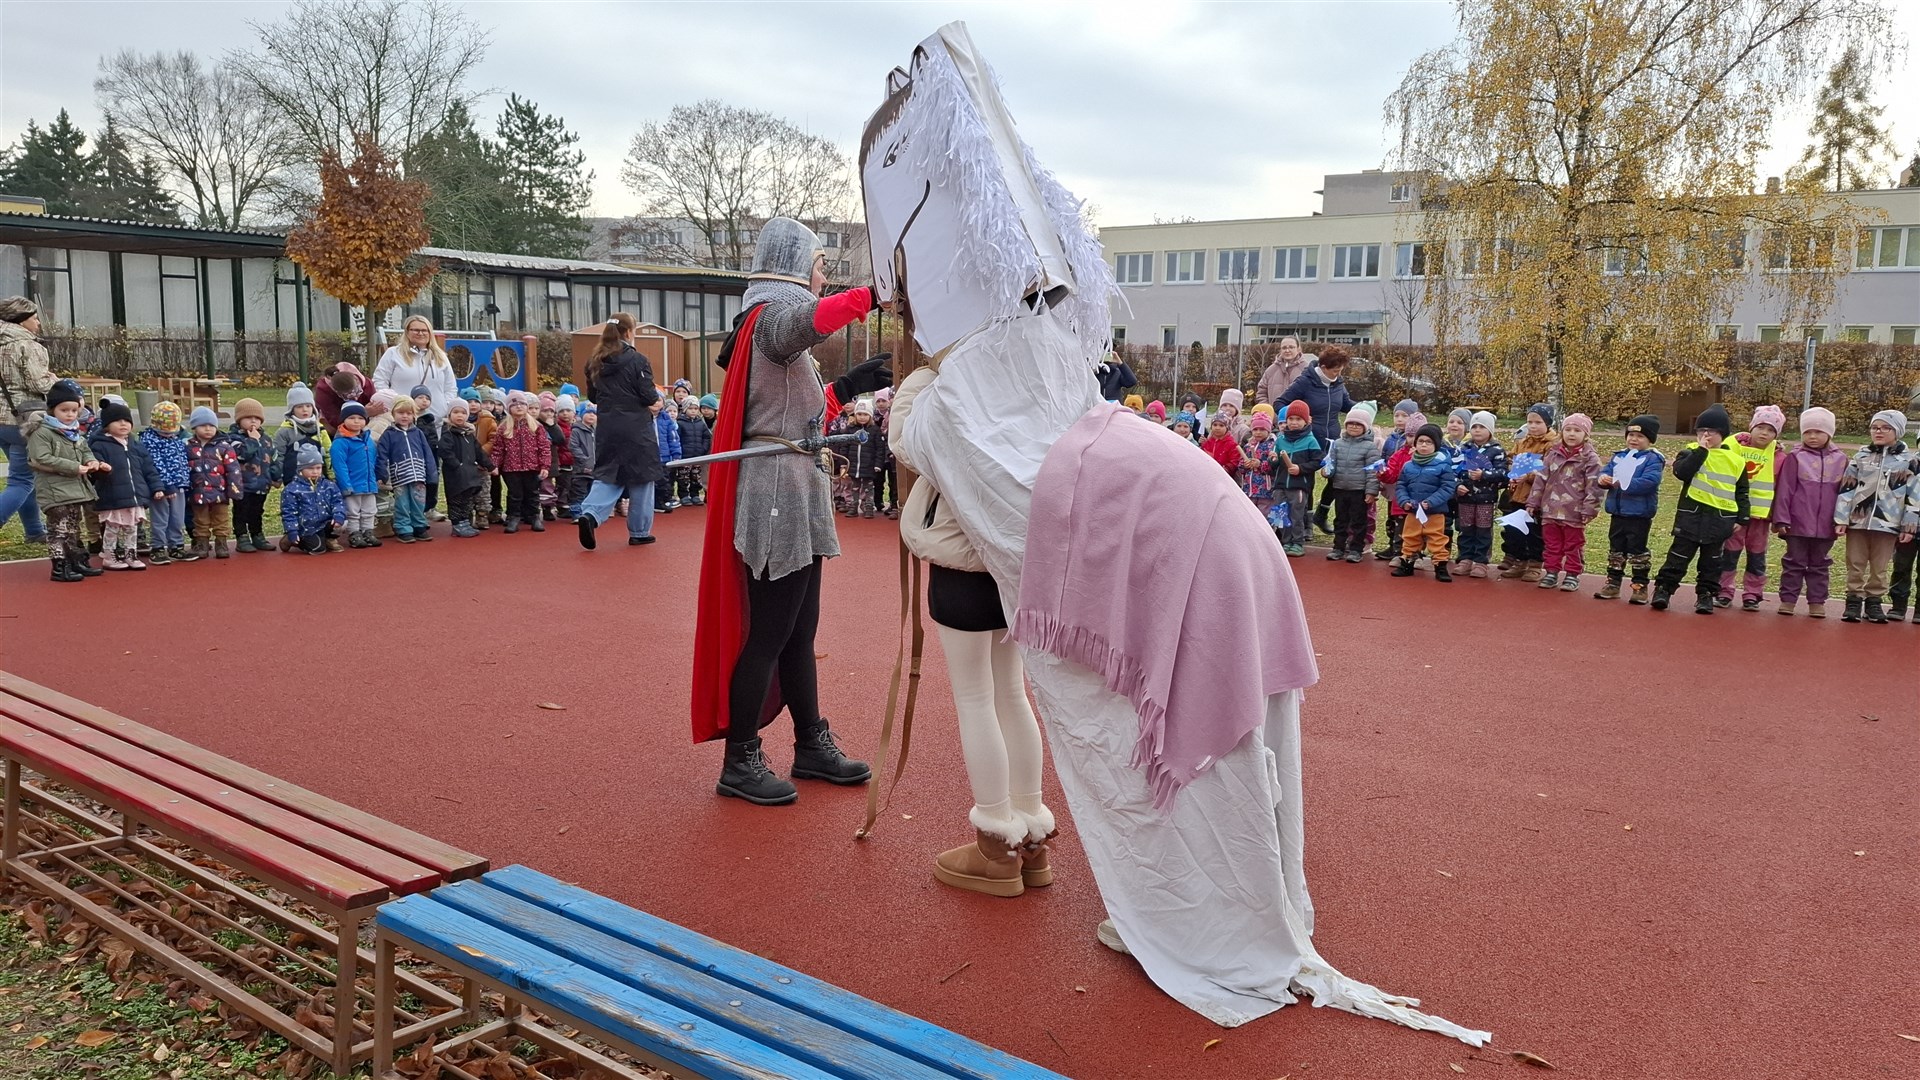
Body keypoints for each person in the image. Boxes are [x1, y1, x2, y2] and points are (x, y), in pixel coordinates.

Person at [690, 217, 890, 805]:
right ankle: (740, 759)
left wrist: (847, 386)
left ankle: (810, 743)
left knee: (800, 631)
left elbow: (795, 415)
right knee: (770, 634)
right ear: (795, 267)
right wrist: (874, 293)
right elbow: (807, 321)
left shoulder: (770, 327)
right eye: (820, 265)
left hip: (795, 483)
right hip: (776, 491)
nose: (823, 277)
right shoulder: (771, 317)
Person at [891, 360, 1057, 896]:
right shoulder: (1032, 376)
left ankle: (996, 846)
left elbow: (906, 442)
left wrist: (924, 374)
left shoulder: (955, 380)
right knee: (1012, 693)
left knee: (977, 699)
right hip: (1016, 560)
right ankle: (1031, 838)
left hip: (964, 560)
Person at [576, 313, 664, 548]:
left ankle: (590, 514)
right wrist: (657, 401)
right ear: (628, 332)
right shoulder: (638, 360)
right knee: (642, 477)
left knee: (608, 474)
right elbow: (648, 395)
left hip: (608, 427)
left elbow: (593, 396)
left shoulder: (594, 360)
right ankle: (639, 531)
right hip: (636, 428)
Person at [1652, 404, 1749, 614]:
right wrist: (1701, 452)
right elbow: (1682, 472)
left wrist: (1742, 518)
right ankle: (1663, 590)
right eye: (1701, 430)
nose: (1706, 435)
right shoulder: (1689, 452)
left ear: (1722, 434)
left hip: (1720, 520)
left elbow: (1742, 491)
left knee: (1711, 564)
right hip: (1690, 518)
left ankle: (1706, 595)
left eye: (1712, 431)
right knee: (1677, 558)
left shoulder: (1736, 461)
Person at [1833, 409, 1916, 624]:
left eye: (1886, 428)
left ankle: (1874, 602)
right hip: (1858, 522)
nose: (1879, 431)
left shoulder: (1908, 461)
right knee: (1855, 563)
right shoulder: (1860, 457)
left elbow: (1914, 496)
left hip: (1888, 524)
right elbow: (1847, 489)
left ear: (1897, 431)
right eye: (1875, 427)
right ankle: (1853, 601)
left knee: (1880, 567)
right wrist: (1841, 518)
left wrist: (1909, 526)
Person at [28, 380, 109, 582]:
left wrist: (91, 461)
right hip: (54, 489)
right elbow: (41, 458)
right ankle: (59, 565)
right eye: (64, 410)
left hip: (74, 488)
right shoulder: (43, 432)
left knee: (73, 527)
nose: (70, 415)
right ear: (52, 410)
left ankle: (76, 560)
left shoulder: (74, 432)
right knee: (59, 529)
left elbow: (84, 450)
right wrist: (74, 467)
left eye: (74, 410)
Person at [1771, 407, 1849, 618]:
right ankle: (1788, 600)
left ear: (1829, 433)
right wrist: (1781, 519)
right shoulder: (1796, 457)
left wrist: (1842, 519)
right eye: (1807, 432)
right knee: (1793, 563)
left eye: (1818, 432)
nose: (1812, 436)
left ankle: (1817, 601)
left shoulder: (1841, 460)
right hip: (1797, 524)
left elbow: (1846, 494)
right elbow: (1785, 490)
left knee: (1820, 564)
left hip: (1826, 525)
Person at [1276, 346, 1356, 535]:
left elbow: (1346, 404)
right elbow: (1281, 402)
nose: (1338, 374)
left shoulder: (1338, 383)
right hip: (1308, 439)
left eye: (1341, 370)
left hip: (1332, 440)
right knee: (1307, 481)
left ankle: (1322, 512)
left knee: (1336, 477)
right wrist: (1291, 420)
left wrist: (1363, 408)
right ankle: (1306, 523)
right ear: (1323, 367)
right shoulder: (1305, 381)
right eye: (1335, 370)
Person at [0, 296, 59, 544]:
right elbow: (39, 384)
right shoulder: (27, 345)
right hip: (24, 420)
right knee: (22, 480)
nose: (38, 323)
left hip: (2, 420)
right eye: (35, 318)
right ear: (21, 320)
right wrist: (56, 380)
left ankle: (34, 530)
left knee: (28, 476)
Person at [1525, 412, 1603, 592]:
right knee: (1552, 544)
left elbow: (1594, 487)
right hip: (1550, 510)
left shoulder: (1590, 459)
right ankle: (1551, 572)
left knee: (1573, 545)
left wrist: (1589, 509)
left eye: (1577, 430)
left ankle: (1572, 574)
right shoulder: (1553, 454)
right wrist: (1533, 502)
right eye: (1568, 430)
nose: (1571, 434)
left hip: (1574, 512)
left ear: (1585, 434)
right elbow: (1540, 480)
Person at [1592, 415, 1665, 602]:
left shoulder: (1653, 459)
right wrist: (1603, 479)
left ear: (1650, 440)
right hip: (1618, 513)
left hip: (1639, 515)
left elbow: (1649, 482)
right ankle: (1613, 583)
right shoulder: (1619, 456)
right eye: (1631, 435)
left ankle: (1639, 586)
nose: (1634, 439)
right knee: (1616, 550)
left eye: (1640, 436)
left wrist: (1622, 483)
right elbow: (1606, 471)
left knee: (1637, 551)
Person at [1719, 405, 1785, 610]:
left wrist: (1778, 517)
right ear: (1751, 427)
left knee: (1757, 556)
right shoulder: (1732, 447)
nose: (1764, 433)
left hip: (1761, 517)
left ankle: (1753, 594)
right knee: (1729, 553)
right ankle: (1723, 590)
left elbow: (1782, 489)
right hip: (1735, 515)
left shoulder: (1779, 457)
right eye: (1760, 427)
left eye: (1771, 430)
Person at [87, 399, 161, 571]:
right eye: (117, 421)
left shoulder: (135, 445)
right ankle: (109, 555)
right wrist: (101, 468)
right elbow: (94, 470)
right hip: (112, 495)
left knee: (132, 528)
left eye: (127, 421)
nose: (123, 424)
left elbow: (148, 468)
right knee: (112, 527)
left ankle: (130, 554)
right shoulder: (99, 445)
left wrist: (157, 487)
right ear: (106, 425)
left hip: (134, 495)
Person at [1389, 423, 1455, 581]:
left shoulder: (1443, 465)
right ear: (1415, 443)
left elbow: (1447, 488)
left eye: (1429, 442)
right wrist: (1404, 501)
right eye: (1421, 441)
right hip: (1413, 511)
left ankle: (1440, 566)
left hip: (1434, 512)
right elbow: (1401, 486)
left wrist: (1430, 502)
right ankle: (1407, 563)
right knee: (1410, 537)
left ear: (1436, 445)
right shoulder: (1408, 465)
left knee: (1437, 539)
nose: (1424, 445)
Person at [1499, 404, 1558, 580]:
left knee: (1534, 533)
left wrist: (1528, 476)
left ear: (1548, 423)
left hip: (1536, 497)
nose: (1533, 426)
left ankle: (1535, 564)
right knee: (1516, 531)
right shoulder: (1522, 442)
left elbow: (1549, 471)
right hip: (1517, 494)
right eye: (1530, 422)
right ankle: (1520, 561)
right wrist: (1511, 472)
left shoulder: (1552, 445)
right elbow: (1513, 459)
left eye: (1538, 422)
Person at [1323, 401, 1382, 562]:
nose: (1354, 427)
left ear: (1365, 427)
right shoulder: (1338, 444)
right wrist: (1327, 471)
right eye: (1351, 423)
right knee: (1340, 520)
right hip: (1340, 488)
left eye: (1358, 424)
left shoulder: (1370, 447)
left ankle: (1356, 549)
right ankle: (1338, 547)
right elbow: (1331, 464)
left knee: (1358, 521)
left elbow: (1373, 472)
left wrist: (1371, 492)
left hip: (1358, 490)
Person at [372, 316, 460, 422]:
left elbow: (450, 387)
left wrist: (445, 407)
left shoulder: (440, 356)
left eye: (424, 330)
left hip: (435, 421)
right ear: (407, 332)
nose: (420, 333)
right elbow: (379, 381)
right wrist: (393, 405)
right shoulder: (393, 353)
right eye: (416, 330)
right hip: (403, 421)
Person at [1452, 411, 1507, 578]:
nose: (1477, 430)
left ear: (1490, 430)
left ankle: (1481, 561)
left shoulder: (1497, 450)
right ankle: (1465, 559)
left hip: (1486, 499)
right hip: (1465, 498)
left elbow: (1503, 474)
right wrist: (1458, 485)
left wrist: (1483, 475)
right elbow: (1453, 470)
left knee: (1483, 531)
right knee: (1465, 529)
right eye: (1474, 426)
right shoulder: (1464, 448)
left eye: (1482, 427)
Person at [377, 397, 438, 542]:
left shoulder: (418, 433)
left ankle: (419, 526)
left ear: (414, 415)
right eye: (400, 413)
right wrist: (381, 473)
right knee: (402, 503)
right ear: (393, 413)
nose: (404, 416)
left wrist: (432, 474)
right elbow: (382, 455)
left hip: (418, 475)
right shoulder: (388, 434)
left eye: (409, 413)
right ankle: (403, 528)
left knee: (419, 501)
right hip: (400, 476)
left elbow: (428, 453)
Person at [185, 405, 241, 560]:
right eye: (203, 425)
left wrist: (235, 490)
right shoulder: (188, 447)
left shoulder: (224, 447)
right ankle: (201, 544)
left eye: (211, 425)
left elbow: (233, 469)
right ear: (194, 427)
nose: (208, 429)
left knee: (221, 519)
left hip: (219, 492)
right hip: (198, 491)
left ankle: (221, 543)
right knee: (200, 519)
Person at [139, 401, 193, 564]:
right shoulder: (149, 441)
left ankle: (176, 546)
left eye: (171, 431)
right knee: (161, 518)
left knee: (177, 518)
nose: (168, 434)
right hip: (160, 488)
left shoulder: (176, 439)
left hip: (179, 485)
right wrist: (166, 486)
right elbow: (156, 465)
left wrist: (183, 481)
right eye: (164, 432)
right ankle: (158, 548)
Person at [492, 391, 551, 534]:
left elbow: (544, 447)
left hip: (532, 467)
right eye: (515, 405)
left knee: (532, 493)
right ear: (508, 408)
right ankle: (513, 517)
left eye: (522, 404)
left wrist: (545, 465)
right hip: (511, 468)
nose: (519, 407)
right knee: (514, 494)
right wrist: (495, 465)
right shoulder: (503, 428)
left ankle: (534, 517)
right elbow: (498, 449)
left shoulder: (536, 426)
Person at [224, 398, 276, 553]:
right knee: (241, 512)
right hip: (243, 484)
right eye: (248, 418)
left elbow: (273, 458)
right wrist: (252, 440)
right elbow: (242, 454)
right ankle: (241, 537)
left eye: (257, 418)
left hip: (262, 484)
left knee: (257, 511)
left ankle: (257, 534)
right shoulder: (233, 439)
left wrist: (276, 476)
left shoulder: (266, 439)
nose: (253, 421)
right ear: (239, 420)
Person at [1272, 401, 1323, 556]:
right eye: (1291, 419)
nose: (1294, 422)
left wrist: (1300, 469)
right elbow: (1274, 464)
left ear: (1306, 421)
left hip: (1299, 486)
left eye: (1298, 419)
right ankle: (1286, 541)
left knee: (1296, 516)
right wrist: (1273, 459)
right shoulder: (1280, 440)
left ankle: (1297, 543)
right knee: (1281, 515)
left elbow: (1317, 462)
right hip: (1281, 485)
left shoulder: (1310, 440)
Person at [434, 399, 489, 539]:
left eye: (463, 413)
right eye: (456, 412)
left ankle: (465, 521)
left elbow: (479, 452)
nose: (460, 415)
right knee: (456, 500)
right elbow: (444, 451)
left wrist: (490, 465)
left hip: (469, 474)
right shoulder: (448, 433)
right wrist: (456, 465)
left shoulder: (469, 434)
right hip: (455, 475)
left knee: (467, 500)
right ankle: (457, 524)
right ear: (449, 414)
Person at [1375, 410, 1425, 560]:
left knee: (1417, 531)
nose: (1413, 440)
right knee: (1399, 529)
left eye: (1417, 436)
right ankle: (1397, 553)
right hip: (1400, 501)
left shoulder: (1430, 457)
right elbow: (1391, 475)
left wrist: (1416, 458)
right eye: (1409, 435)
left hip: (1420, 501)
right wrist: (1383, 473)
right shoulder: (1399, 455)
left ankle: (1416, 555)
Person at [331, 401, 381, 548]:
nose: (356, 421)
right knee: (353, 511)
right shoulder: (340, 443)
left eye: (360, 418)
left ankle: (368, 531)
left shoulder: (368, 440)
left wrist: (376, 478)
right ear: (343, 420)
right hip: (352, 484)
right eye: (351, 418)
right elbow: (340, 466)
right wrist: (346, 485)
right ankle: (354, 533)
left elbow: (374, 460)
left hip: (369, 483)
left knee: (369, 510)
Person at [280, 445, 346, 554]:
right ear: (301, 469)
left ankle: (328, 538)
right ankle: (291, 539)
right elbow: (289, 512)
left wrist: (339, 515)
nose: (315, 472)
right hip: (306, 528)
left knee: (343, 523)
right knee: (318, 549)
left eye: (318, 468)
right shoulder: (292, 489)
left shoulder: (329, 485)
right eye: (310, 468)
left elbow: (338, 502)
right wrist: (292, 530)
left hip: (325, 523)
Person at [273, 382, 331, 490]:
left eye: (308, 406)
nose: (305, 409)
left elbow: (328, 453)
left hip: (319, 481)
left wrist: (332, 476)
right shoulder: (285, 431)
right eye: (299, 407)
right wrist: (276, 477)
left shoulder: (320, 430)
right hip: (292, 481)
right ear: (292, 409)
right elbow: (278, 455)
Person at [845, 397, 890, 518]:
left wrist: (878, 464)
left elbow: (880, 449)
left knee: (868, 487)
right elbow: (845, 446)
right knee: (854, 487)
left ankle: (868, 507)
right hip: (854, 465)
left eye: (865, 414)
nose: (862, 417)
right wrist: (844, 463)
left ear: (870, 416)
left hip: (869, 466)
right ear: (855, 415)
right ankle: (853, 507)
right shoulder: (850, 429)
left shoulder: (875, 430)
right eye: (859, 414)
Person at [1240, 411, 1282, 529]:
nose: (1258, 432)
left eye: (1262, 429)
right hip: (1249, 488)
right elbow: (1240, 465)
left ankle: (1267, 534)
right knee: (1250, 515)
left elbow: (1274, 466)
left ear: (1268, 430)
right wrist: (1245, 464)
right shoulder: (1248, 446)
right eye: (1255, 429)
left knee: (1265, 516)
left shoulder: (1272, 446)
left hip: (1266, 489)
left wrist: (1260, 465)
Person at [1254, 336, 1315, 408]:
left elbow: (1314, 395)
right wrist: (1268, 409)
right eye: (1284, 348)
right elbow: (1261, 393)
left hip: (1298, 414)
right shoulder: (1271, 370)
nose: (1287, 350)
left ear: (1298, 349)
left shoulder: (1307, 370)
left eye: (1291, 347)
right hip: (1275, 414)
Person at [315, 362, 373, 433]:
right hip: (339, 428)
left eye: (356, 391)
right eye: (347, 396)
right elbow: (334, 420)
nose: (355, 398)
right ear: (336, 391)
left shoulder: (367, 384)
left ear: (356, 379)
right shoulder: (323, 392)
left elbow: (377, 407)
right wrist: (364, 413)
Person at [676, 391, 710, 506]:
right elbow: (677, 438)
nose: (693, 411)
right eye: (690, 408)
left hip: (697, 455)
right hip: (685, 456)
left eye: (696, 409)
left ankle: (695, 494)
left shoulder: (701, 423)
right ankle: (684, 495)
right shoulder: (680, 423)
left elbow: (706, 437)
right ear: (685, 409)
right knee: (683, 477)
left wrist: (703, 449)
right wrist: (680, 451)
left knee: (696, 477)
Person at [652, 397, 683, 513]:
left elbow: (673, 438)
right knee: (649, 481)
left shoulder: (666, 419)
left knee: (663, 480)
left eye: (658, 400)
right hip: (648, 457)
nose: (655, 403)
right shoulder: (642, 418)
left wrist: (676, 454)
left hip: (664, 456)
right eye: (653, 399)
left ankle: (660, 502)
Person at [567, 404, 597, 517]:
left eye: (594, 413)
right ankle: (576, 512)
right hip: (581, 469)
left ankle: (587, 513)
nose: (591, 415)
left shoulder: (595, 431)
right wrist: (584, 460)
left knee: (591, 492)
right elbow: (573, 446)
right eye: (588, 412)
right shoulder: (576, 430)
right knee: (579, 492)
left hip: (594, 469)